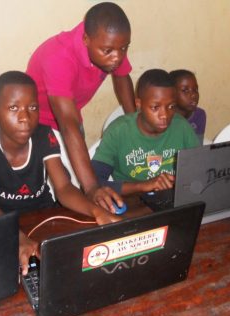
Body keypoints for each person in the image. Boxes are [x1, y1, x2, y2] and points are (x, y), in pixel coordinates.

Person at [0, 71, 120, 274]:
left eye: (33, 108)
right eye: (13, 108)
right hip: (1, 222)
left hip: (44, 216)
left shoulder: (43, 135)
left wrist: (97, 212)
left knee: (81, 263)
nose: (25, 118)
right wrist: (17, 237)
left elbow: (63, 187)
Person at [26, 2, 135, 208]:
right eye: (108, 51)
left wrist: (135, 124)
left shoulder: (110, 42)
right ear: (86, 40)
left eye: (124, 48)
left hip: (71, 118)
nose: (118, 57)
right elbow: (67, 124)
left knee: (81, 192)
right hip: (38, 126)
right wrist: (92, 187)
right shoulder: (59, 57)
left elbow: (122, 77)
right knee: (71, 192)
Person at [91, 69, 199, 195]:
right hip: (133, 201)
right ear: (139, 104)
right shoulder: (118, 131)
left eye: (171, 107)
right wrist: (142, 186)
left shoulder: (181, 126)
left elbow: (199, 169)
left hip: (174, 198)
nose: (164, 115)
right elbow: (94, 183)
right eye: (155, 107)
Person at [170, 69, 206, 145]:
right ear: (171, 93)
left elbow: (197, 149)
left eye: (195, 89)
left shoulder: (199, 115)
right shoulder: (164, 118)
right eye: (185, 90)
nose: (193, 95)